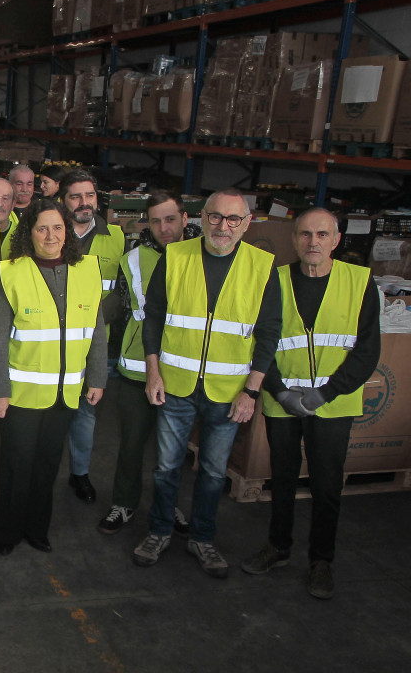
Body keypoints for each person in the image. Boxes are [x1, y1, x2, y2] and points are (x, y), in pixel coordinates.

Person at [133, 189, 281, 578]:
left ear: (246, 224)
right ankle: (160, 531)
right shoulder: (176, 256)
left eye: (233, 219)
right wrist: (153, 371)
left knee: (214, 473)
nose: (223, 226)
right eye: (215, 217)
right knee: (166, 467)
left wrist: (251, 391)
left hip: (228, 392)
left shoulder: (263, 267)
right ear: (201, 218)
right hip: (176, 384)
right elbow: (154, 318)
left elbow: (269, 333)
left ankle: (202, 538)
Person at [241, 208, 380, 598]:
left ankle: (321, 560)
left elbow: (367, 350)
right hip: (282, 401)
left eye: (322, 235)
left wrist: (325, 393)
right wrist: (280, 390)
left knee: (327, 484)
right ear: (294, 239)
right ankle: (278, 546)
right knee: (281, 478)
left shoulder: (360, 282)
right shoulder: (275, 280)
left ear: (336, 240)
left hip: (332, 406)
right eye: (305, 234)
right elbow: (258, 340)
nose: (312, 242)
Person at [0, 200, 107, 556]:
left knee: (47, 466)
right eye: (41, 228)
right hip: (20, 395)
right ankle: (5, 532)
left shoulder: (86, 271)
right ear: (29, 233)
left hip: (65, 394)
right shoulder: (10, 273)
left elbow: (96, 331)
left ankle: (37, 529)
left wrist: (97, 377)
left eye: (57, 228)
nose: (50, 235)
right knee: (16, 465)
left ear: (67, 232)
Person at [98, 192, 199, 535]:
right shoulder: (134, 259)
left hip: (181, 372)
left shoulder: (202, 259)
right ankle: (123, 504)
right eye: (155, 221)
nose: (163, 228)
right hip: (136, 370)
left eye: (170, 219)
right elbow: (122, 307)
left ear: (185, 219)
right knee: (131, 444)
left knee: (170, 453)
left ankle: (166, 507)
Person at [57, 169, 125, 504]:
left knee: (85, 413)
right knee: (50, 411)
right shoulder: (49, 232)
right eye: (76, 196)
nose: (85, 203)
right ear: (62, 201)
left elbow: (121, 291)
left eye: (90, 196)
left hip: (94, 344)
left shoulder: (115, 237)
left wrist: (93, 318)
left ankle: (79, 473)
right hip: (50, 340)